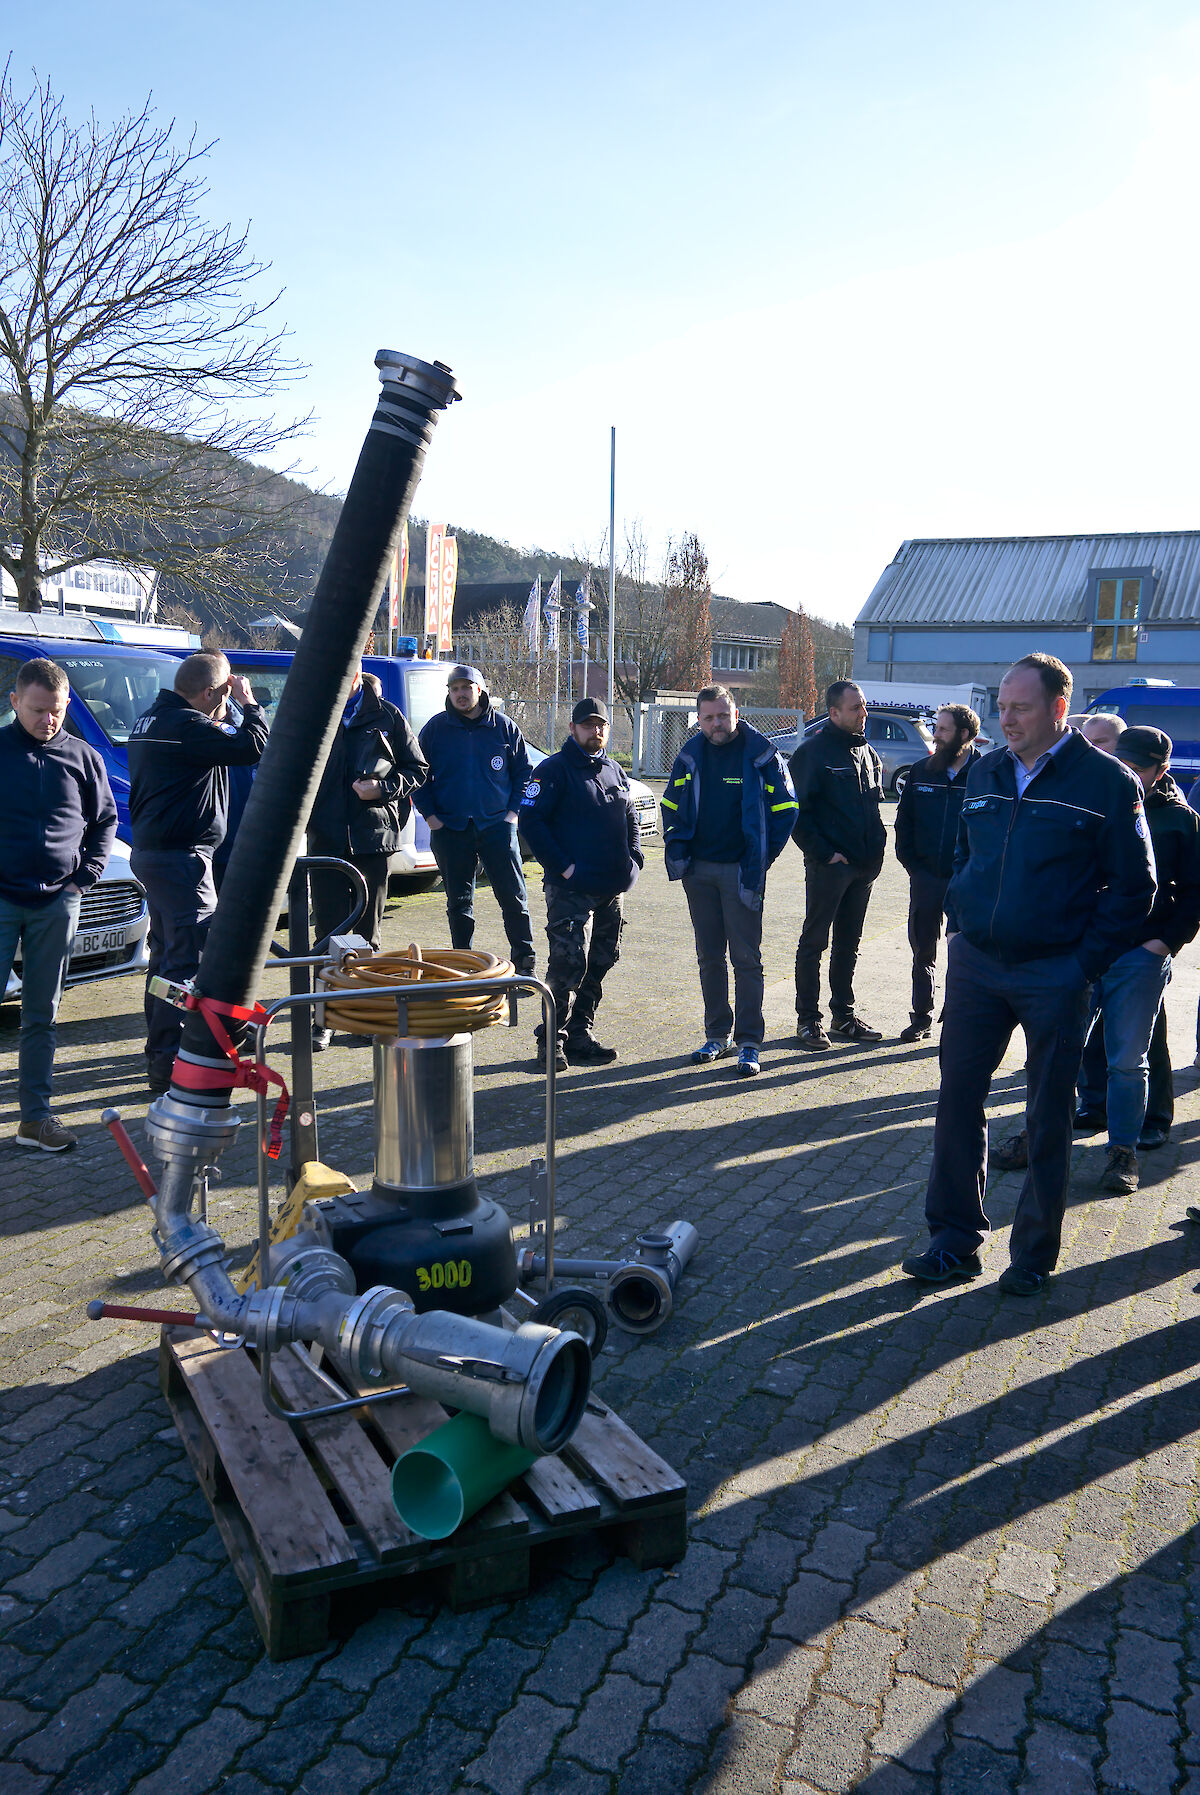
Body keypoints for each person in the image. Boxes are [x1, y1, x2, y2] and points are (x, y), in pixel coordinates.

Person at [900, 653, 1155, 1296]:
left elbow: (1134, 888)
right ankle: (954, 1241)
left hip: (1056, 974)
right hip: (979, 967)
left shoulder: (1107, 783)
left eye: (1021, 708)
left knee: (1047, 1114)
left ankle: (1034, 1253)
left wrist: (1082, 965)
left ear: (1058, 710)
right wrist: (961, 918)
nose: (1005, 720)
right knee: (958, 1100)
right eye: (1001, 707)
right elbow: (965, 852)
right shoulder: (983, 769)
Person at [128, 651, 268, 1093]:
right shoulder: (188, 728)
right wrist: (250, 704)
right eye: (224, 690)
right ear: (211, 692)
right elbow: (252, 747)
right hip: (182, 861)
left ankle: (162, 1052)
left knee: (166, 960)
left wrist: (223, 709)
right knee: (186, 963)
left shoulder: (152, 719)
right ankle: (174, 1058)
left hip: (157, 856)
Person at [1073, 726, 1200, 1192]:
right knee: (1059, 1050)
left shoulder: (1180, 820)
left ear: (1161, 769)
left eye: (1138, 766)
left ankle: (1122, 1152)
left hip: (1139, 956)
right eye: (1121, 760)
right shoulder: (1095, 797)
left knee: (1129, 1059)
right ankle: (1039, 1134)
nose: (1126, 771)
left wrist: (1165, 943)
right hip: (1085, 949)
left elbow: (1193, 892)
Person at [0, 659, 116, 1151]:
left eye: (57, 711)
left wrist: (84, 877)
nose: (48, 719)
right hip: (2, 899)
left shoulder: (83, 757)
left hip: (57, 903)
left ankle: (35, 1119)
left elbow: (104, 820)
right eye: (37, 710)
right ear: (14, 702)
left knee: (41, 1014)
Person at [662, 685, 797, 1077]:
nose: (717, 724)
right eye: (709, 717)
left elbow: (787, 809)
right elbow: (670, 805)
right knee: (709, 958)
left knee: (746, 960)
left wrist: (760, 858)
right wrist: (677, 847)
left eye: (723, 715)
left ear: (735, 713)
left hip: (741, 873)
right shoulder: (690, 756)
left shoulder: (761, 755)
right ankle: (716, 1035)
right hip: (698, 872)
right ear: (699, 719)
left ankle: (750, 1042)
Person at [518, 698, 642, 1070]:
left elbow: (630, 816)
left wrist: (634, 861)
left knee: (602, 960)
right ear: (572, 729)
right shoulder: (553, 771)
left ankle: (580, 1034)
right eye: (588, 725)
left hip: (612, 888)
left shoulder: (613, 769)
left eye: (601, 725)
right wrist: (564, 867)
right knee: (567, 963)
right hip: (570, 889)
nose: (596, 731)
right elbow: (531, 822)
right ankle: (551, 1041)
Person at [307, 667, 428, 1049]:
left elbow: (418, 768)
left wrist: (384, 788)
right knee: (327, 931)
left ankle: (364, 1015)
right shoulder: (313, 714)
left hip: (372, 839)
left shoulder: (388, 716)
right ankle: (323, 1018)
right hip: (325, 839)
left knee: (366, 933)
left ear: (358, 674)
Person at [414, 665, 535, 973]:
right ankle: (462, 966)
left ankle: (525, 966)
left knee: (513, 899)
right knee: (458, 902)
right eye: (455, 689)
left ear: (480, 691)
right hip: (450, 829)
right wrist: (431, 818)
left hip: (496, 826)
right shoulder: (435, 730)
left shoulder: (504, 728)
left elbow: (524, 773)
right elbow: (418, 775)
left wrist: (512, 815)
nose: (461, 694)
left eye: (467, 688)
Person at [790, 681, 887, 1051]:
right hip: (830, 867)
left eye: (864, 706)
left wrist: (877, 850)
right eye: (856, 708)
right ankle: (808, 1020)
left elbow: (875, 808)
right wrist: (823, 853)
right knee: (814, 941)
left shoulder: (867, 753)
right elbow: (795, 812)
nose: (864, 714)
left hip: (863, 868)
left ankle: (843, 1016)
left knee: (849, 944)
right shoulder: (813, 753)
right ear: (834, 713)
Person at [893, 704, 982, 1043]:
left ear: (963, 735)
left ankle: (959, 1016)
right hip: (927, 876)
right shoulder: (921, 771)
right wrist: (913, 865)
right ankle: (921, 1016)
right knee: (922, 950)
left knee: (965, 952)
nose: (936, 736)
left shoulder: (985, 773)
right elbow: (905, 821)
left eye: (943, 730)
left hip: (969, 880)